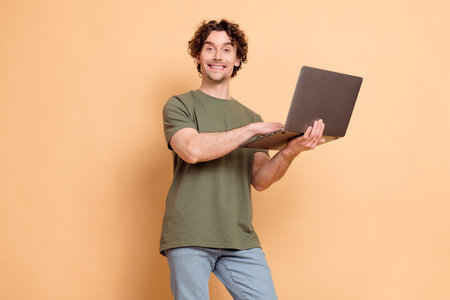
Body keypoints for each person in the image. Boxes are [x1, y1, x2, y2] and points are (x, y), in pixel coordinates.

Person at [160, 19, 325, 300]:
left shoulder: (251, 117)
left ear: (237, 60)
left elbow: (260, 180)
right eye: (209, 48)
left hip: (239, 237)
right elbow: (192, 150)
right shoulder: (180, 105)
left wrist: (290, 150)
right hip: (190, 233)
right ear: (198, 57)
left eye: (227, 50)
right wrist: (250, 131)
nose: (217, 56)